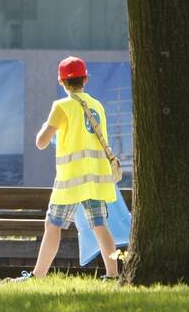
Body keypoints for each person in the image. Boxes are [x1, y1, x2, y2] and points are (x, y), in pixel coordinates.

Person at [11, 56, 119, 281]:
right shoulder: (97, 105)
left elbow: (41, 142)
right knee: (100, 225)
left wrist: (48, 129)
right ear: (86, 79)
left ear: (61, 82)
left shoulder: (61, 106)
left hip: (70, 180)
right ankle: (112, 275)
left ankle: (38, 276)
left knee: (53, 225)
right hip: (95, 179)